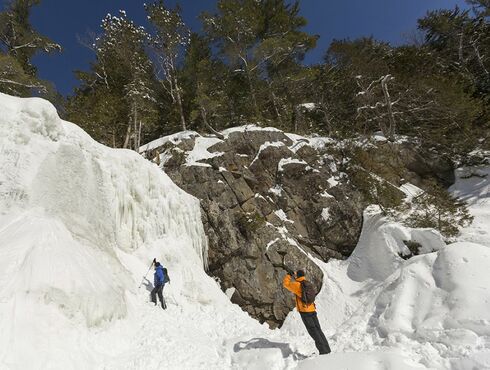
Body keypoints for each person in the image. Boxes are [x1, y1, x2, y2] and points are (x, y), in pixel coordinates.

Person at [283, 269, 331, 355]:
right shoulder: (308, 283)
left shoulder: (297, 285)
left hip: (305, 312)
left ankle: (323, 352)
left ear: (297, 276)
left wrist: (289, 275)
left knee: (313, 331)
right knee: (318, 330)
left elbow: (286, 284)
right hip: (312, 310)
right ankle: (327, 350)